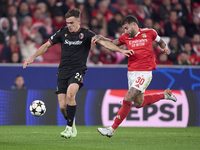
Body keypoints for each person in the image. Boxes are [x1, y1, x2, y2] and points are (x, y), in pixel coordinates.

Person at [23, 8, 133, 139]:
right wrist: (32, 57)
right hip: (63, 71)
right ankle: (71, 122)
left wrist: (120, 51)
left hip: (78, 70)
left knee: (70, 94)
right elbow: (46, 45)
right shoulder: (62, 33)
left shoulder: (87, 34)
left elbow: (104, 43)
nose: (69, 25)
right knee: (63, 106)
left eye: (71, 23)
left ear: (79, 21)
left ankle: (69, 128)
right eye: (67, 23)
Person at [92, 15, 177, 137]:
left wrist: (165, 48)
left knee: (127, 98)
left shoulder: (150, 32)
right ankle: (165, 95)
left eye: (126, 28)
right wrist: (100, 38)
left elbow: (160, 41)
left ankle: (111, 129)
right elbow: (113, 43)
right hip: (131, 73)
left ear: (134, 25)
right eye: (124, 29)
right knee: (138, 103)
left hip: (145, 72)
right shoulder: (125, 37)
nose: (125, 31)